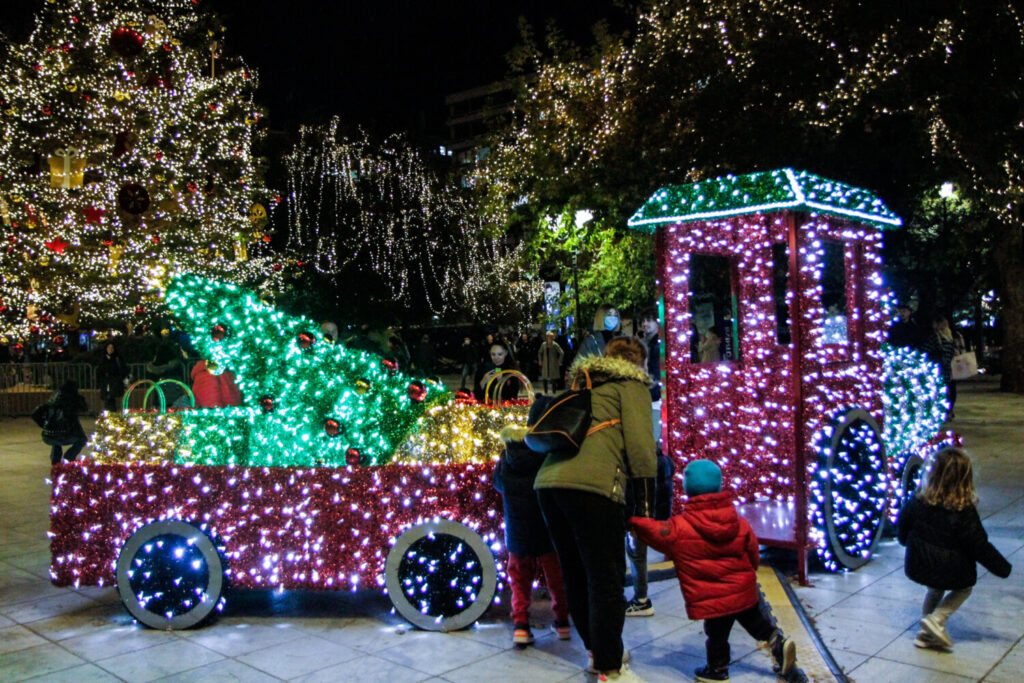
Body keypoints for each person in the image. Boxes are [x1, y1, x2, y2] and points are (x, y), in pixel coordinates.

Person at [535, 336, 655, 682]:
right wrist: (645, 506)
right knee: (606, 579)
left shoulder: (582, 382)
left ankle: (597, 653)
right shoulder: (631, 385)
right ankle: (609, 667)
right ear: (638, 363)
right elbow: (641, 447)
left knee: (575, 573)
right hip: (593, 488)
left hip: (549, 485)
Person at [630, 460, 797, 682]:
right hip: (743, 590)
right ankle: (777, 642)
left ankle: (717, 670)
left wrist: (632, 521)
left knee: (717, 635)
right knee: (754, 621)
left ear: (689, 488)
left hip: (715, 599)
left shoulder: (680, 527)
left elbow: (656, 531)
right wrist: (747, 575)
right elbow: (753, 552)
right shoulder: (738, 520)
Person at [898, 447, 1012, 651]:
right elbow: (978, 545)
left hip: (919, 562)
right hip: (950, 568)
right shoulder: (963, 511)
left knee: (934, 590)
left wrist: (905, 542)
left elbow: (903, 525)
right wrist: (1002, 568)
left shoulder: (918, 499)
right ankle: (936, 620)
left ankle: (926, 634)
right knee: (963, 589)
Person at [495, 395, 571, 647]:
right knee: (556, 577)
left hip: (517, 529)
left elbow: (498, 484)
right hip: (547, 527)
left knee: (519, 578)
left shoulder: (507, 455)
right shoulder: (549, 452)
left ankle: (521, 625)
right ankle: (562, 623)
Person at [32, 380, 88, 465]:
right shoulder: (73, 399)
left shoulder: (53, 399)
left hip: (48, 435)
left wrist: (44, 424)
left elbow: (35, 413)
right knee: (82, 439)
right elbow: (84, 409)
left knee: (56, 441)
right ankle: (69, 457)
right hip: (65, 434)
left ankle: (55, 459)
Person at [923, 316, 965, 419]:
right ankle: (949, 410)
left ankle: (942, 411)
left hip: (939, 368)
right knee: (950, 390)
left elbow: (925, 349)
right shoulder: (952, 337)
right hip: (951, 368)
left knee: (940, 391)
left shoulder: (936, 337)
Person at [97, 342, 128, 412]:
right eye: (108, 348)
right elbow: (100, 370)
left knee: (112, 397)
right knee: (107, 398)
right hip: (106, 382)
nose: (110, 349)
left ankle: (112, 412)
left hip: (114, 381)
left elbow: (122, 369)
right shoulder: (103, 358)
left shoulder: (117, 358)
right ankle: (109, 412)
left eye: (111, 348)